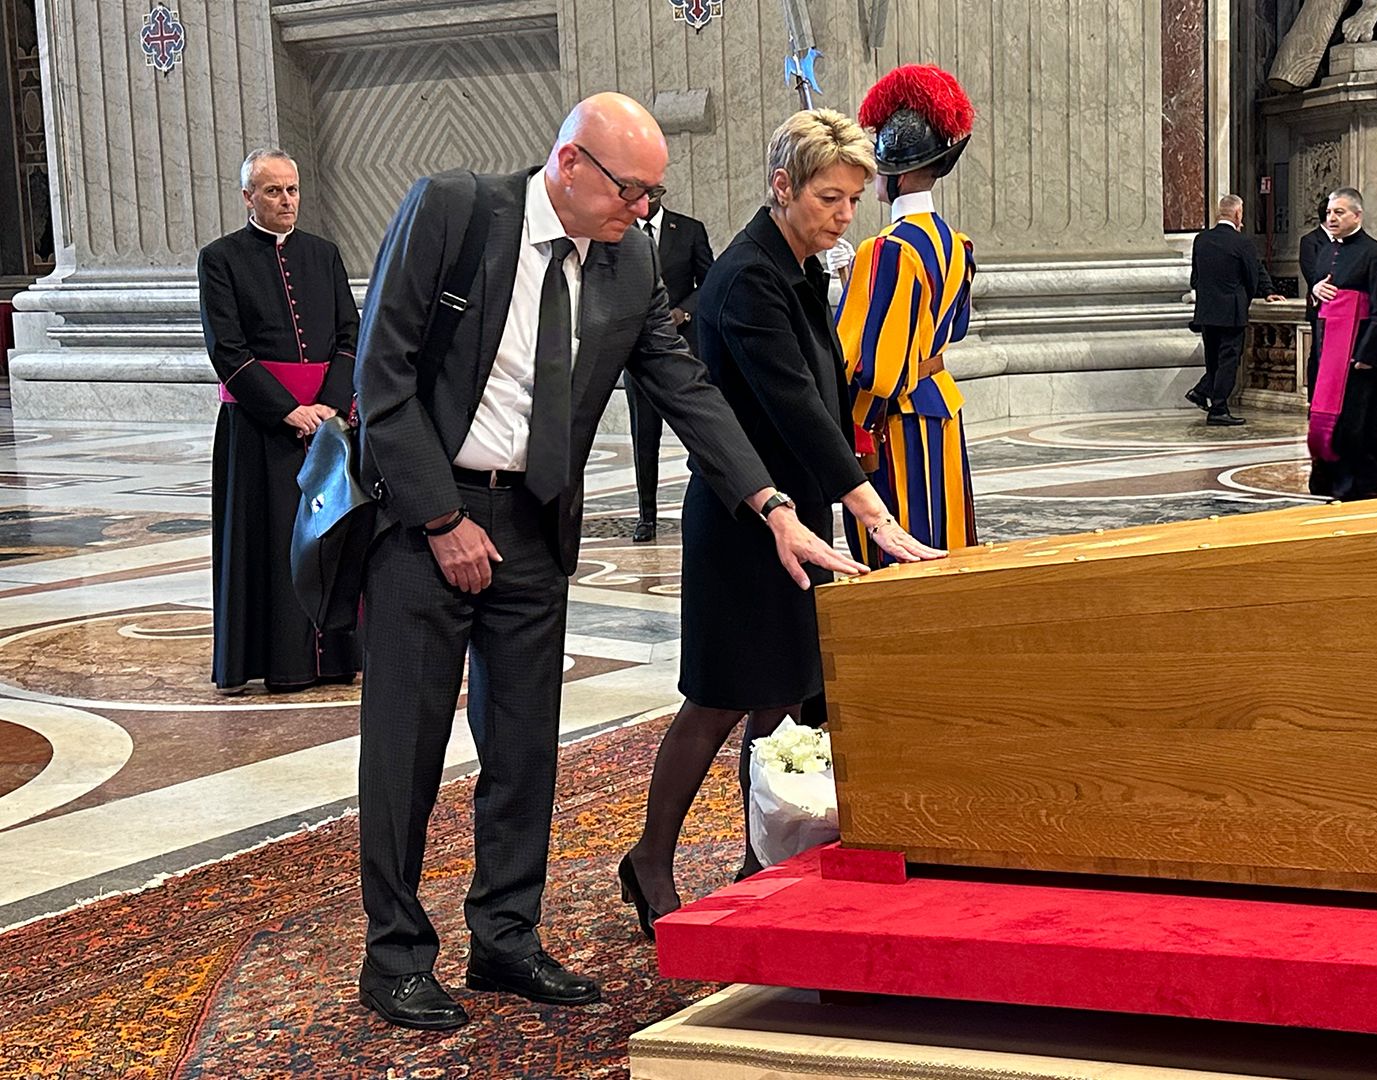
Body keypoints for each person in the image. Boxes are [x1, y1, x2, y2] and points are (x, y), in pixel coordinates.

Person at [351, 93, 864, 1033]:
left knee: (523, 747)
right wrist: (438, 519)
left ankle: (504, 936)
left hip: (535, 528)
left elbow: (690, 392)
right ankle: (394, 957)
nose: (645, 209)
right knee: (406, 747)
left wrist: (775, 506)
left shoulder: (629, 262)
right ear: (571, 164)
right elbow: (380, 377)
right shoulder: (456, 210)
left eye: (655, 193)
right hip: (426, 519)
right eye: (635, 189)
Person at [620, 108, 943, 940]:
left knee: (780, 700)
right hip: (743, 521)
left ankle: (761, 856)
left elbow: (823, 396)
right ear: (781, 188)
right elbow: (794, 407)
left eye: (853, 199)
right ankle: (651, 858)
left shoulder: (796, 265)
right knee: (721, 698)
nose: (845, 215)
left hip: (796, 519)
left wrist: (845, 500)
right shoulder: (749, 278)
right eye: (830, 198)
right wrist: (868, 502)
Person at [198, 148, 359, 695]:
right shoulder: (220, 259)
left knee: (330, 538)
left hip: (328, 426)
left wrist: (331, 406)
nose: (286, 200)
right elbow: (227, 348)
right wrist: (287, 410)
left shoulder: (324, 254)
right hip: (261, 427)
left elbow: (348, 336)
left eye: (291, 190)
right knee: (271, 544)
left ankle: (335, 657)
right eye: (273, 191)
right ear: (248, 198)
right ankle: (281, 663)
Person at [837, 63, 980, 566]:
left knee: (900, 549)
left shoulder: (886, 250)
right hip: (941, 405)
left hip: (893, 420)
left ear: (894, 172)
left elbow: (874, 364)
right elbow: (951, 328)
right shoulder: (956, 243)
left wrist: (855, 429)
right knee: (948, 536)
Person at [622, 192, 713, 543]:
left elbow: (709, 281)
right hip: (638, 351)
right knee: (644, 437)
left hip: (684, 348)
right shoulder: (619, 231)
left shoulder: (689, 230)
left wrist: (685, 311)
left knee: (697, 431)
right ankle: (647, 516)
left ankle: (707, 504)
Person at [1305, 188, 1377, 499]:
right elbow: (1318, 301)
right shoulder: (1324, 250)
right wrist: (1314, 290)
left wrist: (1367, 354)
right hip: (1327, 349)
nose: (1331, 218)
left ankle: (1358, 483)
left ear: (1357, 216)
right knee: (1325, 417)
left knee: (1356, 421)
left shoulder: (1375, 254)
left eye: (1339, 213)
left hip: (1358, 351)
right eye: (1330, 213)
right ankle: (1330, 480)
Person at [1188, 194, 1281, 426]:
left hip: (1207, 312)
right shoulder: (1242, 243)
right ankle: (1218, 408)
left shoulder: (1201, 240)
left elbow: (1195, 278)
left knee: (1213, 360)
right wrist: (1262, 292)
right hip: (1232, 312)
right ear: (1238, 214)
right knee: (1229, 360)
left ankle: (1202, 392)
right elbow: (1252, 276)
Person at [1299, 197, 1335, 401]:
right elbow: (1311, 273)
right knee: (1319, 353)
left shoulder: (1346, 241)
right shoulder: (1310, 241)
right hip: (1321, 306)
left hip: (1344, 307)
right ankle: (1316, 399)